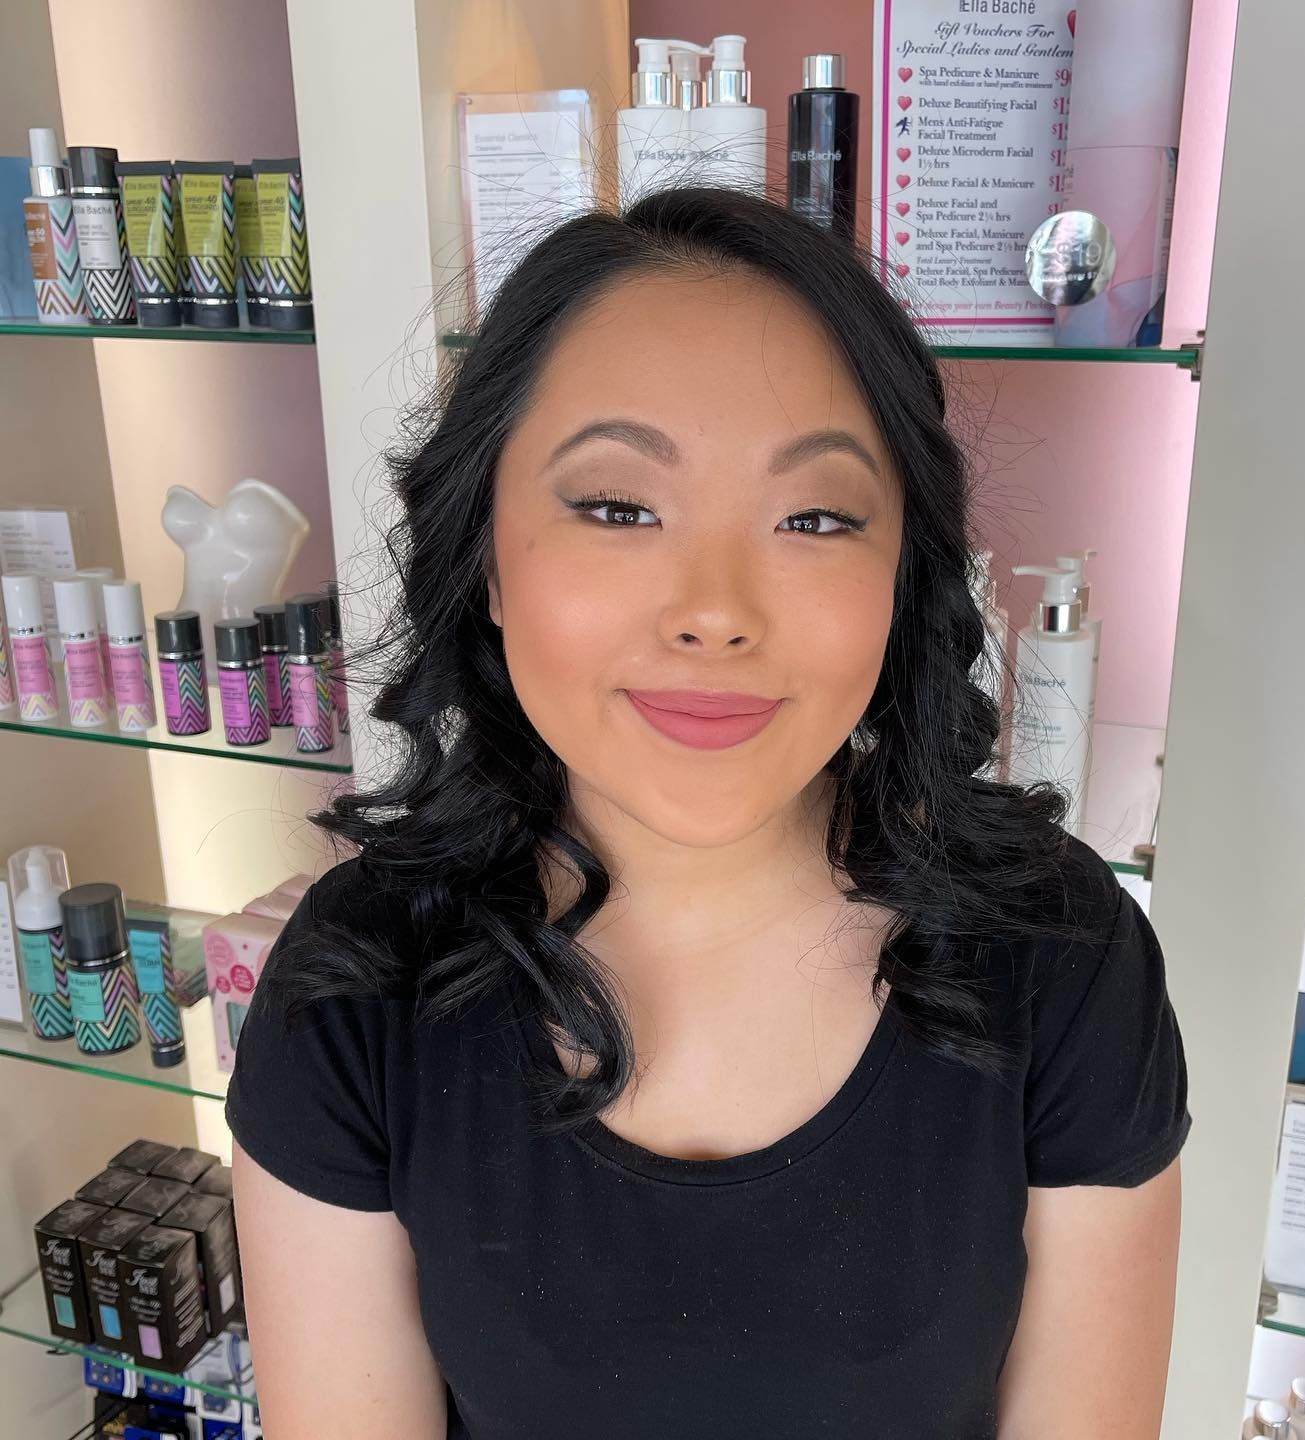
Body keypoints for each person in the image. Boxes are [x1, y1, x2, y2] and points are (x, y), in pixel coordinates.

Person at [226, 187, 1192, 1439]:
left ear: (902, 576)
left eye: (815, 517)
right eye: (618, 507)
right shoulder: (357, 993)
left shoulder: (1060, 956)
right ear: (489, 560)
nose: (715, 610)